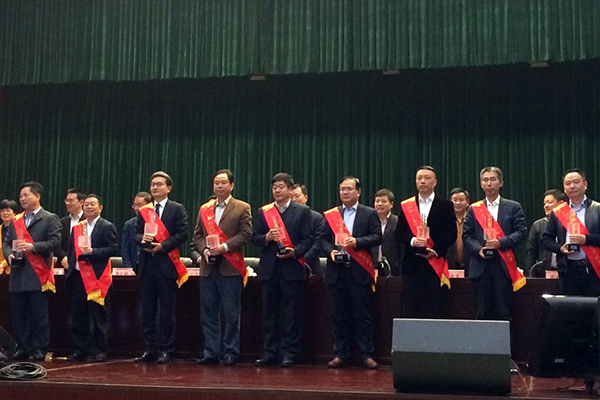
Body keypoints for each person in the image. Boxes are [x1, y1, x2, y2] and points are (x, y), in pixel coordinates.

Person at [190, 169, 252, 366]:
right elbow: (197, 236)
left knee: (231, 313)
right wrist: (205, 251)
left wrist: (224, 247)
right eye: (216, 182)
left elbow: (246, 234)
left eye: (223, 183)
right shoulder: (205, 209)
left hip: (230, 267)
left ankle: (231, 352)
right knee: (208, 313)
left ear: (231, 185)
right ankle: (211, 352)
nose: (219, 186)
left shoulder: (242, 207)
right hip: (208, 267)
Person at [320, 176, 381, 369]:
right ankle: (340, 354)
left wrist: (357, 242)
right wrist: (330, 251)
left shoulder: (369, 213)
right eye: (342, 189)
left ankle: (366, 354)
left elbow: (377, 236)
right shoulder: (332, 214)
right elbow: (322, 239)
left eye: (349, 189)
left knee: (362, 315)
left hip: (359, 271)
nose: (345, 192)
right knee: (338, 315)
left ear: (358, 192)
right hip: (336, 272)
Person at [253, 173, 313, 367]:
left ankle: (289, 353)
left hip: (292, 268)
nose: (277, 190)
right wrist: (266, 238)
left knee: (291, 313)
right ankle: (270, 352)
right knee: (269, 313)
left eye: (281, 187)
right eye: (274, 187)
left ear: (290, 189)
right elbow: (254, 237)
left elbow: (308, 239)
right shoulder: (264, 212)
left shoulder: (302, 211)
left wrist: (295, 252)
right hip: (269, 269)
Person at [133, 171, 189, 364]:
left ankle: (166, 349)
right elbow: (135, 234)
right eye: (153, 185)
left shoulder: (177, 209)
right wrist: (142, 239)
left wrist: (163, 246)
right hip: (147, 265)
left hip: (167, 265)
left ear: (169, 188)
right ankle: (149, 348)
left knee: (166, 311)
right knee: (147, 311)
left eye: (159, 184)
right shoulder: (145, 211)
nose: (155, 187)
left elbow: (183, 233)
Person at [3, 182, 61, 361]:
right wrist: (8, 255)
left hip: (38, 275)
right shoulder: (16, 220)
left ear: (37, 196)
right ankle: (22, 347)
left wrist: (33, 247)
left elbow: (55, 242)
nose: (22, 199)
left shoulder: (49, 218)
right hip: (18, 273)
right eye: (20, 196)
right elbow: (7, 242)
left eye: (26, 195)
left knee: (38, 315)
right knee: (18, 316)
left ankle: (39, 348)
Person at [463, 167, 527, 321]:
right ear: (481, 184)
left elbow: (521, 232)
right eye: (485, 180)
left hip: (503, 265)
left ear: (501, 182)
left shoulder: (513, 207)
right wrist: (479, 249)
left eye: (493, 179)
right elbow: (467, 236)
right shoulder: (473, 209)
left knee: (504, 312)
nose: (489, 183)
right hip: (480, 266)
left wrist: (500, 242)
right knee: (482, 312)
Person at [396, 167, 456, 318]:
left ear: (434, 182)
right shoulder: (407, 205)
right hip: (411, 265)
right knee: (411, 308)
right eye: (419, 178)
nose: (422, 181)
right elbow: (399, 233)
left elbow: (451, 234)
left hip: (434, 264)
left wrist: (435, 251)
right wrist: (412, 241)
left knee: (435, 308)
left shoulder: (445, 205)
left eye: (427, 178)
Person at [66, 194, 118, 362]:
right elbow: (71, 250)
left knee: (98, 316)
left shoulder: (107, 226)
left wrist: (93, 252)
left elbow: (112, 248)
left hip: (97, 277)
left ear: (100, 208)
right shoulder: (77, 228)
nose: (89, 207)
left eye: (93, 204)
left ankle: (100, 350)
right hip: (78, 276)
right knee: (78, 316)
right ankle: (80, 349)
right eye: (86, 204)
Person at [542, 169, 600, 296]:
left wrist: (586, 239)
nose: (572, 186)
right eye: (568, 183)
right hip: (568, 271)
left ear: (585, 185)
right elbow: (546, 240)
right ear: (564, 188)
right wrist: (560, 248)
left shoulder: (597, 209)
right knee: (571, 306)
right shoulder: (558, 213)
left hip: (594, 270)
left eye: (576, 182)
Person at [526, 189, 567, 277]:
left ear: (561, 204)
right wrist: (531, 275)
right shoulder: (537, 225)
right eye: (544, 203)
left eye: (549, 202)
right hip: (543, 272)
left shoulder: (571, 223)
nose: (546, 206)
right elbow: (531, 252)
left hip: (567, 271)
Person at [291, 183, 325, 276]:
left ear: (305, 198)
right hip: (288, 265)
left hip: (310, 266)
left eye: (297, 196)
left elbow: (318, 243)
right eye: (291, 197)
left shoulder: (316, 217)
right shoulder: (284, 217)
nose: (294, 199)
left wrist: (304, 259)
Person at [371, 189, 401, 276]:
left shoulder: (398, 222)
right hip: (372, 267)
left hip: (393, 268)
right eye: (377, 201)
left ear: (391, 204)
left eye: (383, 201)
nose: (380, 204)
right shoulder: (369, 221)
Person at [56, 189, 86, 270]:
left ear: (81, 202)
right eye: (66, 200)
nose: (68, 203)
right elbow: (56, 243)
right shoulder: (62, 222)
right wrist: (63, 256)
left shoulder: (87, 221)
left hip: (83, 266)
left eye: (71, 200)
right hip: (64, 265)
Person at [122, 192, 152, 272]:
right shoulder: (129, 224)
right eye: (134, 205)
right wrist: (128, 268)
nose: (136, 208)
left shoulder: (156, 223)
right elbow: (125, 249)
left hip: (152, 267)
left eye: (139, 205)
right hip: (135, 267)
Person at [446, 188, 471, 273]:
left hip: (470, 264)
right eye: (454, 200)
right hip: (450, 264)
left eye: (461, 200)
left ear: (467, 202)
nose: (457, 203)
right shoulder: (445, 220)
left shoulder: (473, 220)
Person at [0, 200, 19, 275]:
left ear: (14, 213)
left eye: (8, 210)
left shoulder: (19, 230)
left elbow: (16, 251)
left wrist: (3, 264)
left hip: (12, 270)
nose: (5, 213)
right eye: (2, 211)